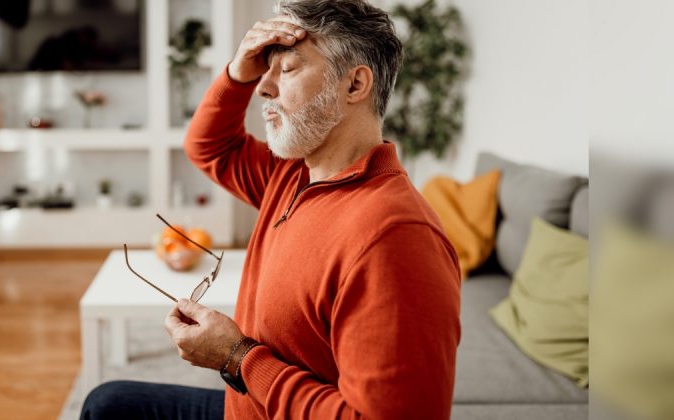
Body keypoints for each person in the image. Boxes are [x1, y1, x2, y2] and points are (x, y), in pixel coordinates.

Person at [80, 1, 461, 418]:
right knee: (108, 404)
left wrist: (238, 359)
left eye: (289, 69)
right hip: (247, 408)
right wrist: (235, 73)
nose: (262, 87)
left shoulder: (395, 239)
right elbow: (208, 147)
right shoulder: (294, 175)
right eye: (265, 70)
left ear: (354, 85)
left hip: (258, 396)